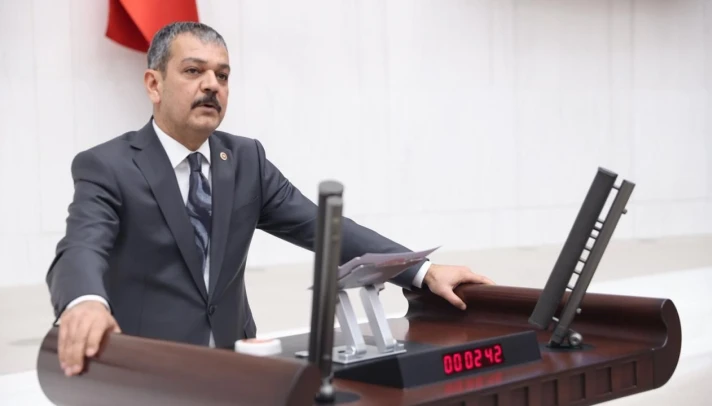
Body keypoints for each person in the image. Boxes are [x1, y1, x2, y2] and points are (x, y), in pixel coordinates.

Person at [46, 21, 494, 377]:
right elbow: (81, 246)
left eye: (223, 75)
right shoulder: (108, 165)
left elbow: (325, 230)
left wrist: (422, 270)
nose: (212, 85)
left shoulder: (246, 160)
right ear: (154, 83)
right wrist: (85, 301)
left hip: (237, 369)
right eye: (194, 71)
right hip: (149, 373)